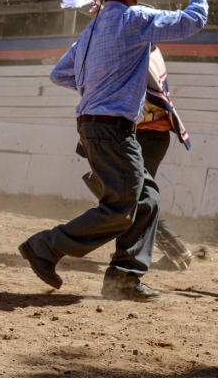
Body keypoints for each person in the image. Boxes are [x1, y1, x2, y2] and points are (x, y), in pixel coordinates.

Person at [19, 0, 207, 302]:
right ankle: (45, 246)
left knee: (145, 200)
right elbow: (193, 20)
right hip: (114, 130)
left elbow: (60, 74)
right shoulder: (133, 20)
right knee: (121, 206)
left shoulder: (90, 30)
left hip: (93, 127)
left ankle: (124, 278)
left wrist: (97, 88)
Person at [80, 45, 194, 271]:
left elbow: (134, 104)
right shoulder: (148, 54)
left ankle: (173, 250)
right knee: (133, 197)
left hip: (144, 136)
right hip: (147, 136)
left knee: (132, 198)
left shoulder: (139, 58)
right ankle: (168, 250)